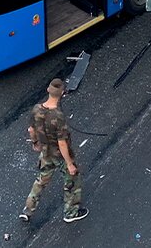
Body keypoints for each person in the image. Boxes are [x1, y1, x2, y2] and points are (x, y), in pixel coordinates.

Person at [21, 78, 87, 224]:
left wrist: (35, 143)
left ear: (48, 90)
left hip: (45, 152)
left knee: (41, 180)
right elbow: (62, 143)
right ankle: (71, 212)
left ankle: (28, 210)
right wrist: (69, 163)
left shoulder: (37, 109)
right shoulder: (58, 116)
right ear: (62, 93)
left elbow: (31, 129)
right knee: (72, 181)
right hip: (59, 155)